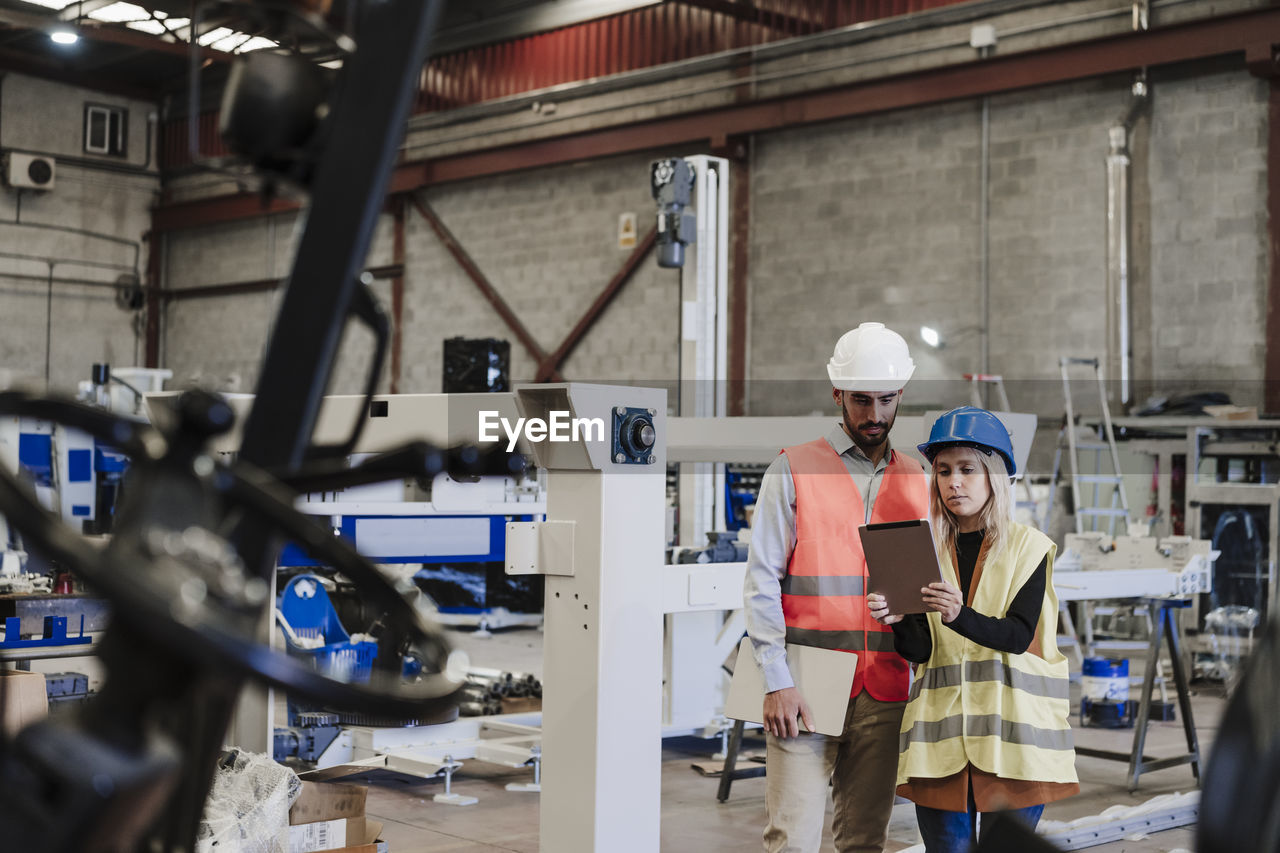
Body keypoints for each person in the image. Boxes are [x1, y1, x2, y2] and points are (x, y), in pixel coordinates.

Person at [743, 322, 930, 853]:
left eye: (886, 400)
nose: (874, 415)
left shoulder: (917, 477)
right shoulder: (793, 469)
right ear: (837, 394)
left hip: (888, 686)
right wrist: (775, 680)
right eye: (861, 400)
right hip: (805, 686)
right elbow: (761, 581)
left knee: (865, 840)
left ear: (902, 397)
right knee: (793, 840)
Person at [867, 406, 1078, 853]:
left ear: (994, 477)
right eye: (943, 471)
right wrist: (899, 620)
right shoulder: (922, 548)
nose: (953, 482)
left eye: (967, 469)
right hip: (939, 748)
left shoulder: (1029, 547)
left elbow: (1018, 636)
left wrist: (958, 614)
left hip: (1013, 746)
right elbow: (921, 651)